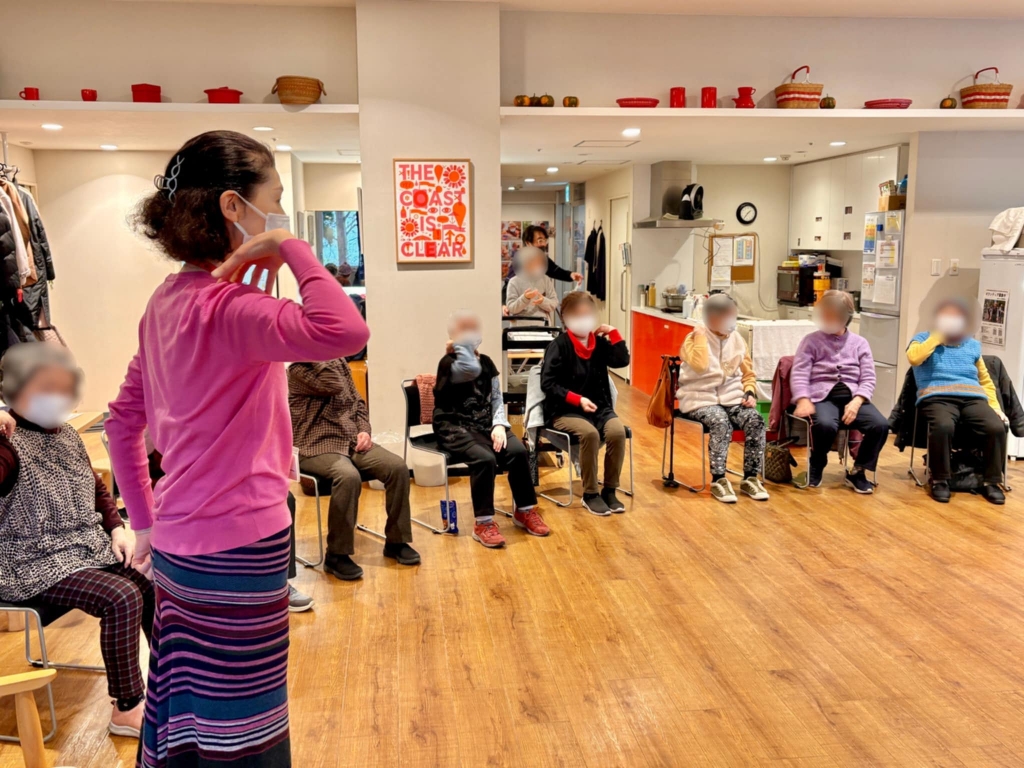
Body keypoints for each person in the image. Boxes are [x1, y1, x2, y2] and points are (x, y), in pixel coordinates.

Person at [107, 130, 370, 767]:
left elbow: (121, 423)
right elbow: (346, 329)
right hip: (240, 545)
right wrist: (290, 245)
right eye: (274, 200)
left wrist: (142, 525)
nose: (278, 212)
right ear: (233, 207)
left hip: (175, 543)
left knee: (193, 703)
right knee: (245, 722)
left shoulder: (166, 303)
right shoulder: (234, 310)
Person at [0, 344, 153, 739]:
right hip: (28, 560)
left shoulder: (65, 432)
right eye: (44, 388)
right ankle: (127, 706)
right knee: (121, 596)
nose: (57, 397)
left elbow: (96, 487)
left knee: (149, 577)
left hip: (79, 546)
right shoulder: (7, 445)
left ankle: (170, 680)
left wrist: (117, 526)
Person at [289, 357, 419, 581]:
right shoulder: (297, 370)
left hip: (349, 440)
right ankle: (336, 555)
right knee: (347, 476)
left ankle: (396, 541)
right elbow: (333, 384)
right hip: (314, 445)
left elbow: (357, 403)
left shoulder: (339, 362)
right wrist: (319, 352)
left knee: (396, 467)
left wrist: (364, 430)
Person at [432, 310, 550, 548]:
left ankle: (525, 510)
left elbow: (497, 398)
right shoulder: (448, 364)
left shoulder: (486, 362)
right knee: (485, 458)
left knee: (517, 451)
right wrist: (461, 354)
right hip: (454, 426)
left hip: (486, 423)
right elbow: (448, 390)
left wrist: (499, 424)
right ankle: (483, 523)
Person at [906, 297, 1007, 504]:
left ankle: (991, 481)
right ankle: (940, 480)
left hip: (972, 398)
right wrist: (937, 337)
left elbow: (985, 380)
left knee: (995, 427)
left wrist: (996, 407)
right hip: (936, 396)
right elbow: (914, 358)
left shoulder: (972, 345)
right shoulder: (923, 338)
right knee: (943, 426)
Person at [540, 292, 630, 515]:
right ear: (565, 318)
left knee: (617, 432)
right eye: (577, 314)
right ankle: (590, 493)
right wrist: (577, 399)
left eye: (588, 313)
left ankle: (610, 489)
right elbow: (547, 383)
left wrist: (613, 333)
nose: (584, 318)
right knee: (589, 434)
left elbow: (622, 360)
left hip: (599, 408)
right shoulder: (559, 346)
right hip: (565, 410)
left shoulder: (599, 343)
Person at [792, 290, 889, 493]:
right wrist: (803, 398)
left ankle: (858, 471)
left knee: (880, 425)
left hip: (853, 397)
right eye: (825, 314)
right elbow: (800, 374)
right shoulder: (811, 341)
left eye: (832, 314)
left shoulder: (860, 343)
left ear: (846, 317)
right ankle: (817, 464)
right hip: (821, 397)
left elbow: (869, 377)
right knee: (825, 424)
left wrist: (858, 401)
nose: (827, 318)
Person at [676, 293, 769, 503]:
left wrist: (750, 392)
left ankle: (750, 477)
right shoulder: (693, 339)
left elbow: (748, 374)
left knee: (755, 420)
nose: (732, 321)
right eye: (727, 316)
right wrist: (700, 335)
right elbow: (700, 366)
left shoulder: (737, 339)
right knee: (720, 422)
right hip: (699, 398)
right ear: (712, 317)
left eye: (733, 315)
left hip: (732, 398)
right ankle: (719, 479)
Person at [504, 225, 582, 284]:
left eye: (545, 240)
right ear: (528, 243)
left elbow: (556, 271)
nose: (544, 244)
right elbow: (508, 285)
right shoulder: (519, 260)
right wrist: (504, 304)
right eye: (540, 241)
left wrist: (571, 275)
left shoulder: (542, 258)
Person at [505, 245, 559, 323]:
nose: (537, 265)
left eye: (539, 262)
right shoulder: (513, 281)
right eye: (533, 262)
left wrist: (542, 301)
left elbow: (554, 303)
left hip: (543, 329)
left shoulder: (545, 279)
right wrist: (525, 298)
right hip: (520, 330)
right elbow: (511, 308)